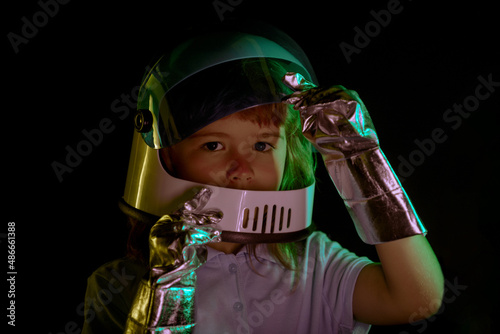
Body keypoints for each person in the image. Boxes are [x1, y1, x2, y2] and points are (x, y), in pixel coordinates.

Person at [82, 22, 444, 334]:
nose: (242, 168)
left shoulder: (315, 262)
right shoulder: (118, 284)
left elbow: (417, 300)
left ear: (291, 153)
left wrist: (361, 160)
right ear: (166, 156)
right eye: (212, 145)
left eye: (260, 145)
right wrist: (165, 290)